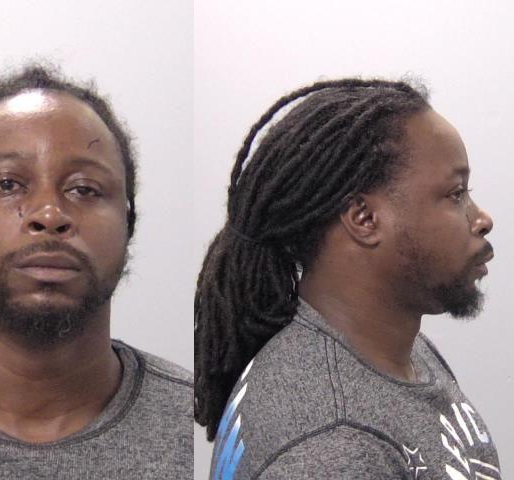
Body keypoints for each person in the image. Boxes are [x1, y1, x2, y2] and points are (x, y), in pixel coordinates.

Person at [0, 66, 192, 478]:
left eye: (84, 189)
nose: (49, 215)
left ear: (128, 224)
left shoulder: (208, 427)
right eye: (7, 184)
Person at [195, 79, 500, 479]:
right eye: (456, 194)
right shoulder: (330, 449)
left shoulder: (394, 351)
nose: (482, 219)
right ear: (364, 219)